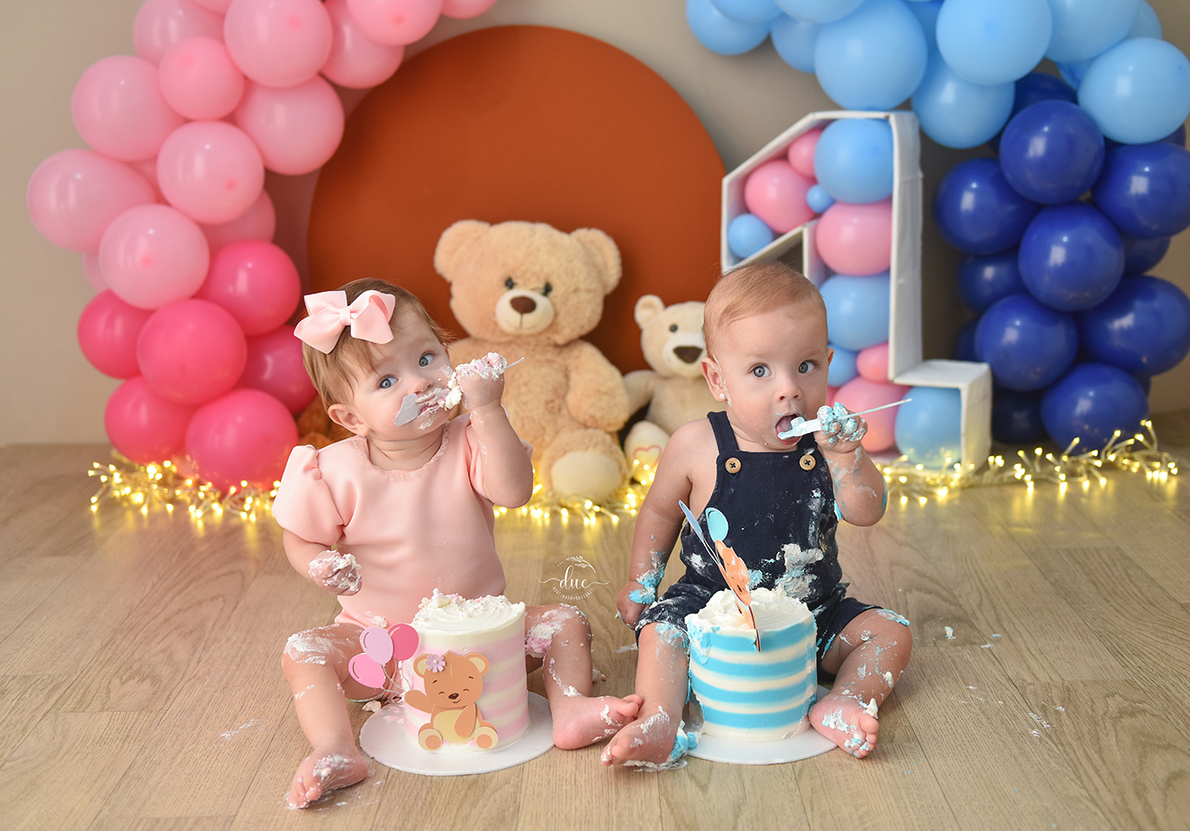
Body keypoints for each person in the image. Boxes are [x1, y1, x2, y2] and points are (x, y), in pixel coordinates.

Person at [274, 278, 641, 808]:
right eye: (386, 381)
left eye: (427, 358)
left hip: (483, 638)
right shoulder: (332, 472)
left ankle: (571, 709)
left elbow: (514, 492)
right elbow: (300, 539)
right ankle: (335, 748)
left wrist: (489, 410)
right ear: (350, 418)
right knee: (303, 651)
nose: (420, 383)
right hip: (383, 645)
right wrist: (319, 565)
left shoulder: (470, 438)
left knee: (566, 622)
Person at [603, 261, 912, 767]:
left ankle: (845, 700)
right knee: (662, 631)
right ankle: (660, 717)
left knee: (891, 632)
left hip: (811, 612)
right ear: (717, 379)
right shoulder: (695, 445)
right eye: (760, 371)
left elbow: (867, 511)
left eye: (806, 366)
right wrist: (643, 580)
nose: (789, 389)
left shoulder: (829, 448)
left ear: (828, 364)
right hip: (708, 609)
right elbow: (659, 513)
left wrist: (848, 459)